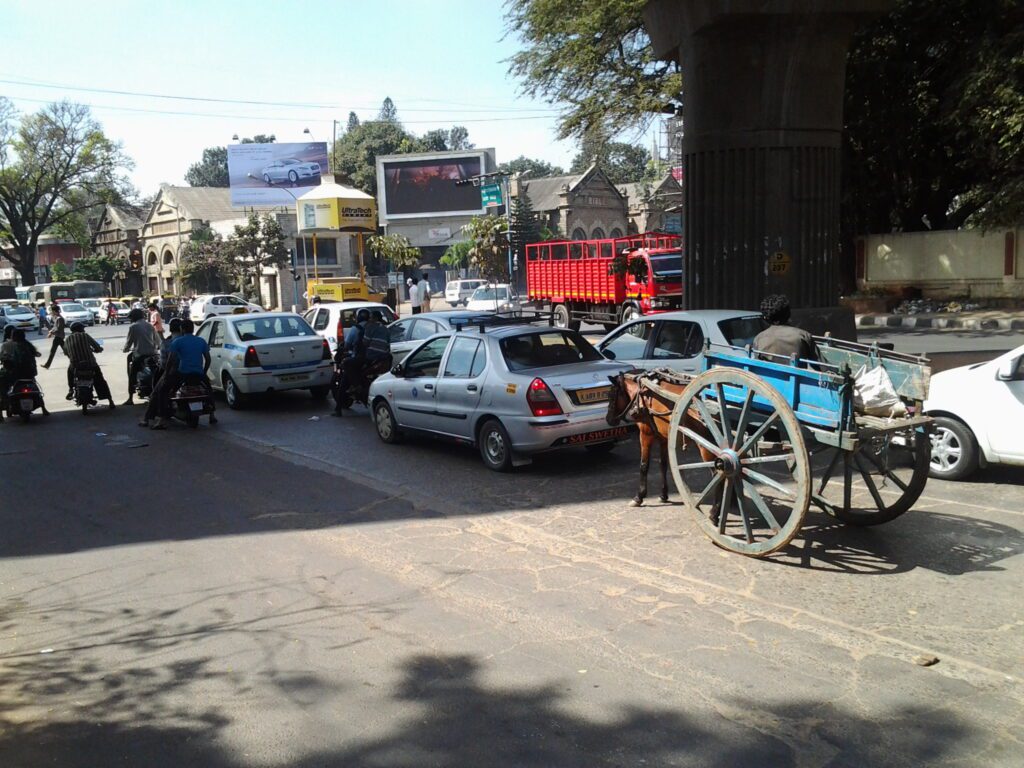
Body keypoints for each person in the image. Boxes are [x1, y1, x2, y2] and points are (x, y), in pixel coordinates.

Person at [151, 318, 212, 430]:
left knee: (164, 391)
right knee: (208, 390)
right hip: (198, 373)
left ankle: (161, 420)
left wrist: (167, 374)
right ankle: (212, 415)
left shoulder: (177, 342)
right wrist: (204, 371)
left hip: (183, 374)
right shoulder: (201, 341)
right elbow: (208, 359)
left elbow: (170, 360)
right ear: (193, 329)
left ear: (182, 329)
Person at [332, 308, 392, 416]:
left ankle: (356, 386)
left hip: (368, 357)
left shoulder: (362, 328)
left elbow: (362, 343)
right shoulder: (385, 328)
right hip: (383, 358)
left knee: (346, 366)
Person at [140, 317, 185, 428]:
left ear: (170, 329)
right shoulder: (191, 340)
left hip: (173, 373)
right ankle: (212, 414)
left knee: (157, 393)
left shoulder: (168, 343)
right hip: (191, 371)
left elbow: (166, 363)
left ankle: (152, 419)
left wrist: (167, 373)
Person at [752, 294, 819, 362]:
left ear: (766, 318)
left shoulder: (758, 339)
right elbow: (823, 367)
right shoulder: (803, 336)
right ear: (788, 314)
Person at [63, 321, 115, 408]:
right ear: (79, 329)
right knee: (100, 381)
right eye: (82, 328)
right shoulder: (85, 335)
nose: (83, 329)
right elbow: (97, 347)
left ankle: (71, 389)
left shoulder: (67, 339)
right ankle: (110, 401)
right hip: (90, 364)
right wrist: (98, 349)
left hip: (76, 365)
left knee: (70, 373)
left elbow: (66, 352)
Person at [123, 308, 162, 405]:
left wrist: (125, 349)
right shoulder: (150, 325)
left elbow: (129, 342)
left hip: (140, 355)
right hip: (153, 354)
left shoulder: (133, 327)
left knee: (132, 373)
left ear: (134, 317)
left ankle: (130, 398)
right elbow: (158, 341)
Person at [41, 303, 66, 368]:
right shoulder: (57, 318)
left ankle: (47, 365)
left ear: (54, 311)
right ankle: (47, 365)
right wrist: (51, 331)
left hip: (59, 337)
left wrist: (51, 332)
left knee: (53, 351)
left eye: (52, 311)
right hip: (59, 336)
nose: (52, 312)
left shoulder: (59, 318)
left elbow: (58, 328)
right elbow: (55, 327)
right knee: (66, 351)